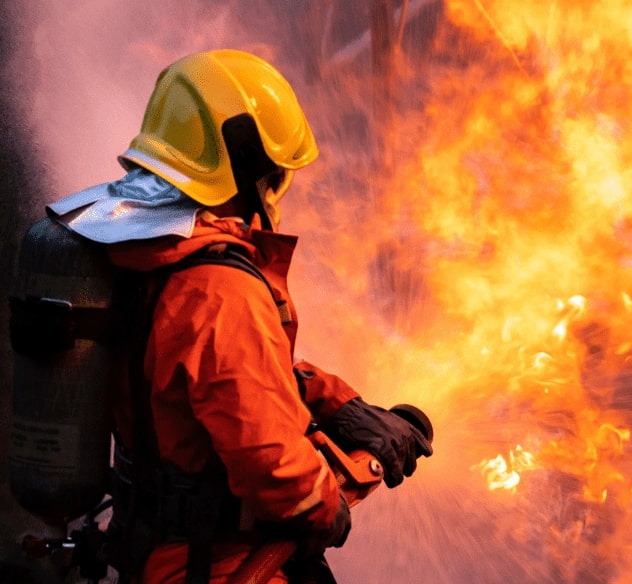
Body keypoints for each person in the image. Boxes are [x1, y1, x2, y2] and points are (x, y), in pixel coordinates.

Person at [43, 49, 433, 583]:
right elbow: (273, 466)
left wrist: (339, 404)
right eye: (276, 174)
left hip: (151, 548)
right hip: (218, 564)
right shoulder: (220, 289)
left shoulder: (141, 254)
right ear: (248, 166)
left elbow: (216, 371)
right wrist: (326, 503)